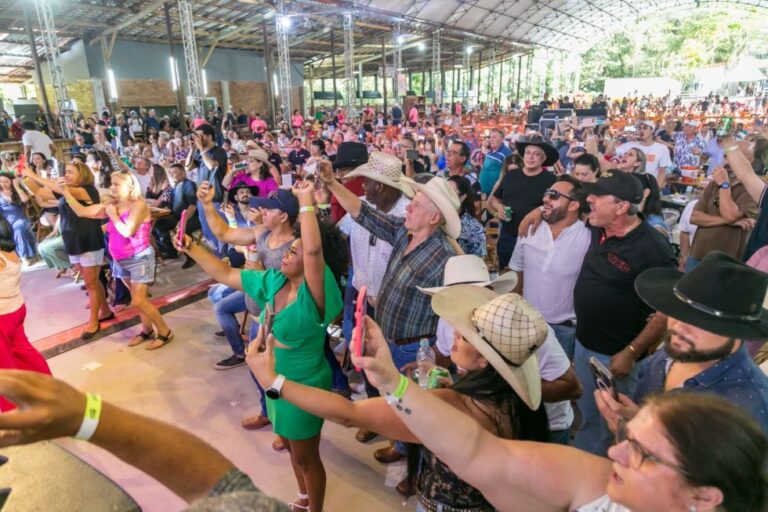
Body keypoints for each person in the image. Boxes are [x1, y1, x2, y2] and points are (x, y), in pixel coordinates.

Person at [350, 330, 768, 512]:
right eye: (630, 434)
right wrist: (391, 382)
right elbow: (478, 451)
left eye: (641, 452)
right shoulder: (600, 487)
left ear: (706, 497)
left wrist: (279, 383)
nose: (614, 448)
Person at [248, 286, 552, 511]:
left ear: (486, 360)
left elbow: (348, 413)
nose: (456, 334)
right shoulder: (510, 405)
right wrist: (390, 375)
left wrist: (272, 382)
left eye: (467, 335)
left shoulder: (455, 405)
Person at [176, 177, 346, 512]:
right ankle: (302, 496)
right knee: (290, 445)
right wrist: (191, 247)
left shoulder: (317, 295)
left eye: (293, 252)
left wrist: (306, 200)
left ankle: (316, 508)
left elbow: (312, 248)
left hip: (304, 382)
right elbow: (226, 275)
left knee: (306, 456)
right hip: (274, 381)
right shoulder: (276, 280)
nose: (287, 254)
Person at [319, 162, 460, 463]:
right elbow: (363, 212)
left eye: (417, 204)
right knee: (397, 403)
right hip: (390, 339)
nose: (408, 208)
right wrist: (331, 183)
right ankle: (401, 448)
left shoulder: (443, 256)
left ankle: (415, 467)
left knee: (416, 413)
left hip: (414, 348)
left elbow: (452, 309)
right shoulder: (404, 233)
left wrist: (438, 354)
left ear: (434, 217)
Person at [597, 251, 768, 434]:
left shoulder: (746, 410)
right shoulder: (674, 352)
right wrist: (638, 417)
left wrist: (629, 433)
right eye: (678, 311)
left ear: (735, 331)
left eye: (700, 321)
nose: (678, 326)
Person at [63, 171, 173, 350]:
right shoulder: (112, 204)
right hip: (120, 259)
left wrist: (112, 215)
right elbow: (82, 211)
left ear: (129, 186)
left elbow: (128, 231)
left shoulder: (139, 205)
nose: (112, 187)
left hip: (139, 258)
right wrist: (65, 192)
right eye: (111, 183)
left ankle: (165, 331)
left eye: (116, 184)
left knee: (139, 300)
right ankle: (146, 330)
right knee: (137, 298)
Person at [23, 161, 111, 340]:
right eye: (67, 172)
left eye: (71, 172)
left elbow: (55, 187)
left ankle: (94, 321)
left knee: (91, 283)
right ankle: (106, 310)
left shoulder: (87, 189)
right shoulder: (65, 191)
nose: (67, 175)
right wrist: (24, 176)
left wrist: (34, 175)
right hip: (73, 242)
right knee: (92, 281)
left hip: (88, 241)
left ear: (83, 175)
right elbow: (39, 191)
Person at [509, 175, 590, 359]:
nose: (546, 198)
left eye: (554, 195)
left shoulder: (587, 235)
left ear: (574, 205)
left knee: (560, 385)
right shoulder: (529, 227)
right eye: (547, 193)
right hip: (527, 322)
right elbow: (516, 271)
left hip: (565, 329)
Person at [0, 215, 50, 411]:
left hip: (3, 316)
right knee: (23, 353)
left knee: (4, 366)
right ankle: (46, 388)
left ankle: (11, 411)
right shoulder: (9, 251)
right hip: (16, 310)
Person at [488, 136, 558, 269]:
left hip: (535, 238)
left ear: (543, 159)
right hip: (508, 236)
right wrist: (499, 207)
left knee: (531, 276)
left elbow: (555, 208)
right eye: (528, 153)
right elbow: (494, 199)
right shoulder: (511, 175)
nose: (530, 157)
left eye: (536, 154)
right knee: (506, 274)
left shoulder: (551, 180)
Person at [687, 165, 758, 269]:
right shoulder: (713, 184)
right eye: (725, 156)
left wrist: (724, 184)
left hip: (727, 260)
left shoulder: (753, 188)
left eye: (731, 157)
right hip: (697, 255)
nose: (728, 162)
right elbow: (694, 217)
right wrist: (730, 221)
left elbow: (730, 214)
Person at [186, 123, 228, 254]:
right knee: (207, 230)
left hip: (215, 198)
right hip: (202, 198)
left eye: (200, 135)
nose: (197, 138)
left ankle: (224, 258)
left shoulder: (219, 151)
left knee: (219, 231)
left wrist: (201, 149)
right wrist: (192, 149)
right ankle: (217, 257)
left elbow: (212, 166)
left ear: (209, 136)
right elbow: (187, 167)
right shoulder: (200, 152)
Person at [153, 163, 199, 263]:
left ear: (182, 173)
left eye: (175, 173)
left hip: (192, 217)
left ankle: (191, 257)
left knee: (183, 229)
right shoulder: (176, 185)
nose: (173, 175)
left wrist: (183, 221)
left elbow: (192, 206)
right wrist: (158, 211)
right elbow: (170, 205)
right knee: (156, 224)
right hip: (176, 216)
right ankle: (170, 251)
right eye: (171, 173)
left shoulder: (189, 185)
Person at [614, 120, 671, 188]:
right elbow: (609, 153)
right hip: (630, 187)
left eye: (645, 128)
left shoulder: (662, 148)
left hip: (650, 187)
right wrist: (616, 136)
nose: (641, 130)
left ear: (652, 131)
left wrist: (655, 190)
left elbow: (662, 172)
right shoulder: (630, 145)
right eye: (639, 128)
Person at [0, 172, 37, 264]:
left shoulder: (17, 192)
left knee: (18, 227)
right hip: (5, 222)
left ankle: (25, 256)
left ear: (11, 182)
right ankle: (11, 258)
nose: (3, 184)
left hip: (21, 219)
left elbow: (25, 199)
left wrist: (16, 186)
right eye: (0, 181)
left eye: (6, 182)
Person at [447, 175, 486, 257]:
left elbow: (479, 262)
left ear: (462, 197)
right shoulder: (434, 217)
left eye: (450, 192)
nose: (445, 195)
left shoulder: (474, 227)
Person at [478, 128, 511, 196]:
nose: (491, 139)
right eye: (490, 137)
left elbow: (510, 173)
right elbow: (484, 150)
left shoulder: (506, 153)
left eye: (494, 137)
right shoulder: (490, 151)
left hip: (496, 195)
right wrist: (483, 145)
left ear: (501, 139)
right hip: (484, 193)